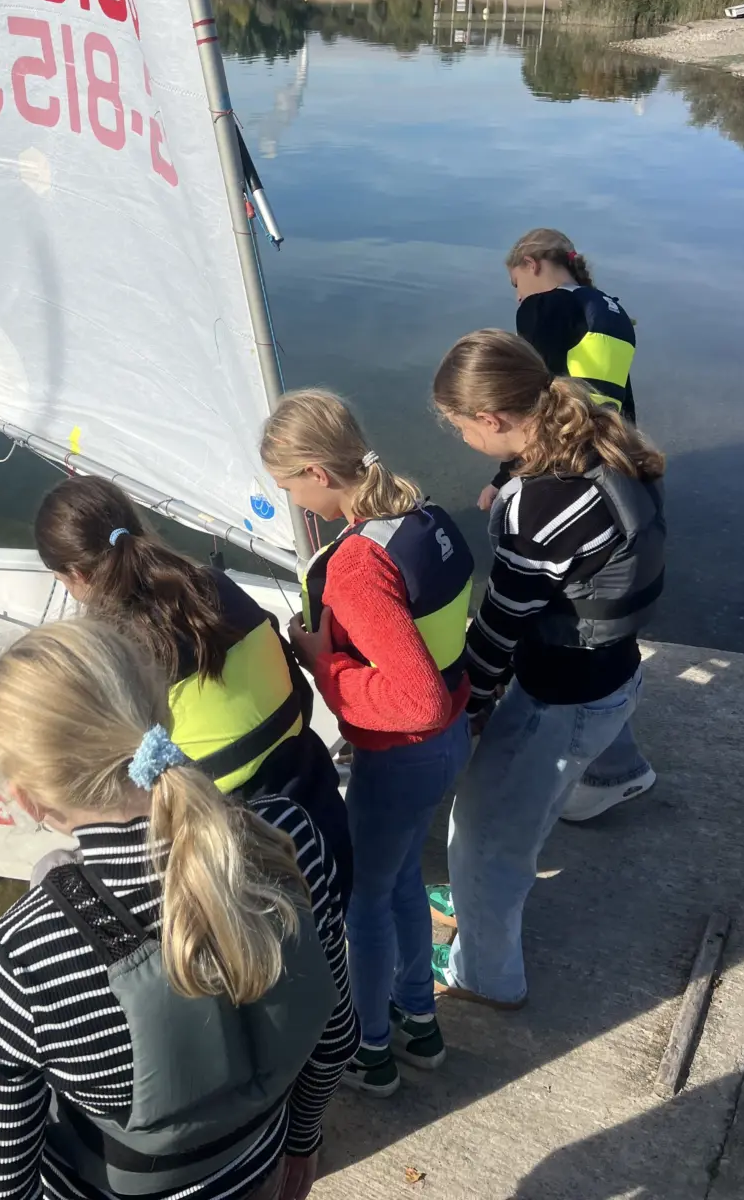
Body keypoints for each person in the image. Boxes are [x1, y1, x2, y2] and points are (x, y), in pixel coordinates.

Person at [0, 619, 358, 1200]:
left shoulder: (20, 957)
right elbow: (335, 1033)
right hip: (259, 1172)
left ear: (27, 798)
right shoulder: (288, 840)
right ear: (161, 714)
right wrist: (302, 1138)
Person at [432, 330, 666, 1009]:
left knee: (483, 836)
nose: (462, 439)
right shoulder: (603, 437)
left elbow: (500, 624)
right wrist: (506, 475)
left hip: (563, 698)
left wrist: (469, 706)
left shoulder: (538, 508)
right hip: (615, 674)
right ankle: (615, 776)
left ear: (491, 418)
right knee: (526, 807)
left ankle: (484, 977)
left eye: (459, 427)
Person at [260, 390, 473, 1098]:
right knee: (402, 877)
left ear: (318, 472)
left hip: (405, 752)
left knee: (363, 902)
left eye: (288, 484)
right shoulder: (423, 514)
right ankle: (419, 1023)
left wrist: (323, 663)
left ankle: (370, 1051)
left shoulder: (355, 567)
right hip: (449, 742)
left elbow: (416, 698)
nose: (290, 499)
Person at [34, 475, 352, 898]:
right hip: (319, 815)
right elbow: (298, 693)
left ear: (75, 573)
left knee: (49, 868)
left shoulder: (110, 654)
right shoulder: (216, 586)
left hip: (235, 862)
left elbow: (115, 792)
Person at [477, 228, 653, 822]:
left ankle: (581, 759)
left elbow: (532, 399)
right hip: (613, 465)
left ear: (532, 264)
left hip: (564, 472)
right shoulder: (609, 306)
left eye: (515, 282)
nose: (516, 296)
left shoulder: (544, 307)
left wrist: (505, 475)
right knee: (602, 610)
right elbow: (615, 398)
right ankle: (618, 766)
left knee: (548, 610)